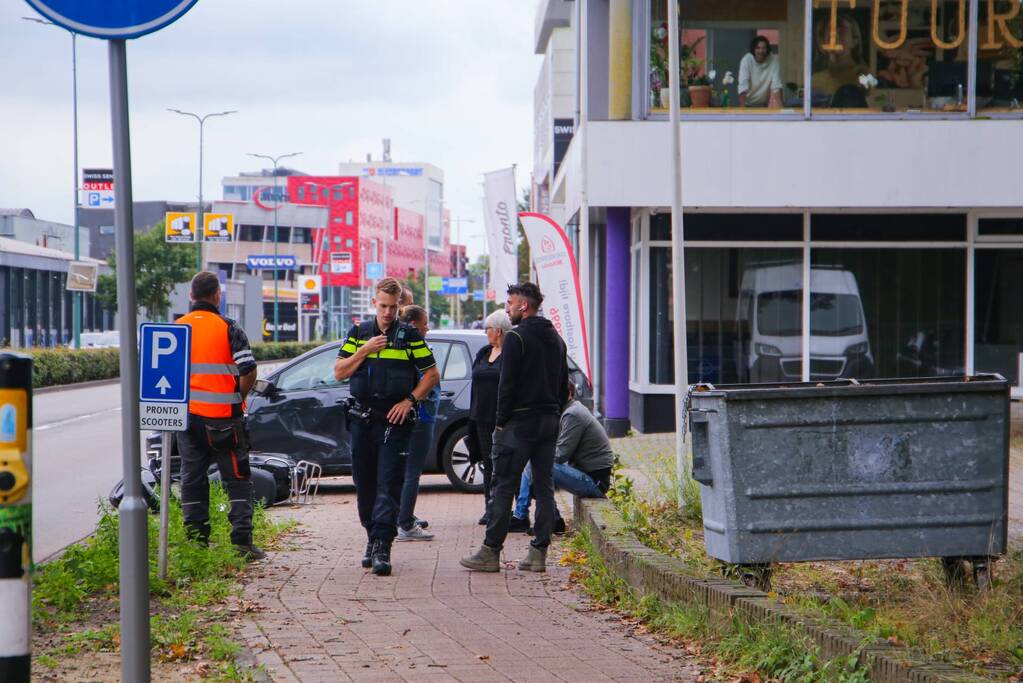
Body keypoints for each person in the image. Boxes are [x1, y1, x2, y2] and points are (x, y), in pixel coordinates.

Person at [334, 278, 440, 576]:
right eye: (383, 306)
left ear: (399, 306)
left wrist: (409, 401)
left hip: (395, 422)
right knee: (364, 483)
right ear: (374, 303)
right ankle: (371, 536)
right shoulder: (358, 334)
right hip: (362, 420)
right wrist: (364, 351)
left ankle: (383, 544)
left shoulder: (409, 336)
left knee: (389, 482)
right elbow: (339, 372)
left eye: (393, 307)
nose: (388, 312)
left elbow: (432, 374)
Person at [461, 283, 568, 573]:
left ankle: (490, 551)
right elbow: (564, 386)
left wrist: (499, 422)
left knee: (503, 485)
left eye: (510, 303)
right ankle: (538, 553)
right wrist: (555, 411)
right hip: (549, 421)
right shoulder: (556, 339)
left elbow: (506, 386)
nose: (507, 309)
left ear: (524, 305)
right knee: (544, 487)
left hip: (519, 423)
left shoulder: (516, 338)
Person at [175, 272, 264, 560]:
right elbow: (248, 370)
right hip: (225, 420)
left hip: (187, 420)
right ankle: (241, 542)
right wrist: (239, 397)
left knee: (192, 478)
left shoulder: (177, 329)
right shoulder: (229, 327)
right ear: (217, 296)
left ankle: (196, 543)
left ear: (191, 296)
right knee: (237, 478)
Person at [510, 384, 615, 531]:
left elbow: (561, 455)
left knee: (539, 464)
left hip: (595, 482)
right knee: (536, 462)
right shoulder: (569, 411)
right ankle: (547, 518)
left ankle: (527, 517)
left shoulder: (573, 414)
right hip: (586, 475)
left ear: (569, 393)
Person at [396, 305, 440, 541]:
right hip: (420, 416)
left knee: (400, 471)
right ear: (414, 325)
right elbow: (428, 381)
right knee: (412, 472)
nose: (427, 328)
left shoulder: (395, 345)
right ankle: (405, 523)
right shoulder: (417, 348)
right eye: (425, 324)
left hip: (405, 416)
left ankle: (402, 516)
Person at [465, 309, 512, 526]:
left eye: (488, 329)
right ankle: (489, 508)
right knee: (488, 463)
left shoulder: (510, 354)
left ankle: (504, 509)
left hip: (502, 418)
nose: (486, 333)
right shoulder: (484, 352)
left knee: (503, 465)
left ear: (499, 331)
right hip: (481, 417)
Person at [738, 36, 783, 108]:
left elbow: (776, 86)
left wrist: (781, 110)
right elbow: (743, 86)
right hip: (748, 104)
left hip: (765, 105)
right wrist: (742, 110)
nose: (761, 51)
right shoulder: (746, 60)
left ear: (767, 49)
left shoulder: (774, 60)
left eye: (763, 48)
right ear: (753, 49)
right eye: (758, 48)